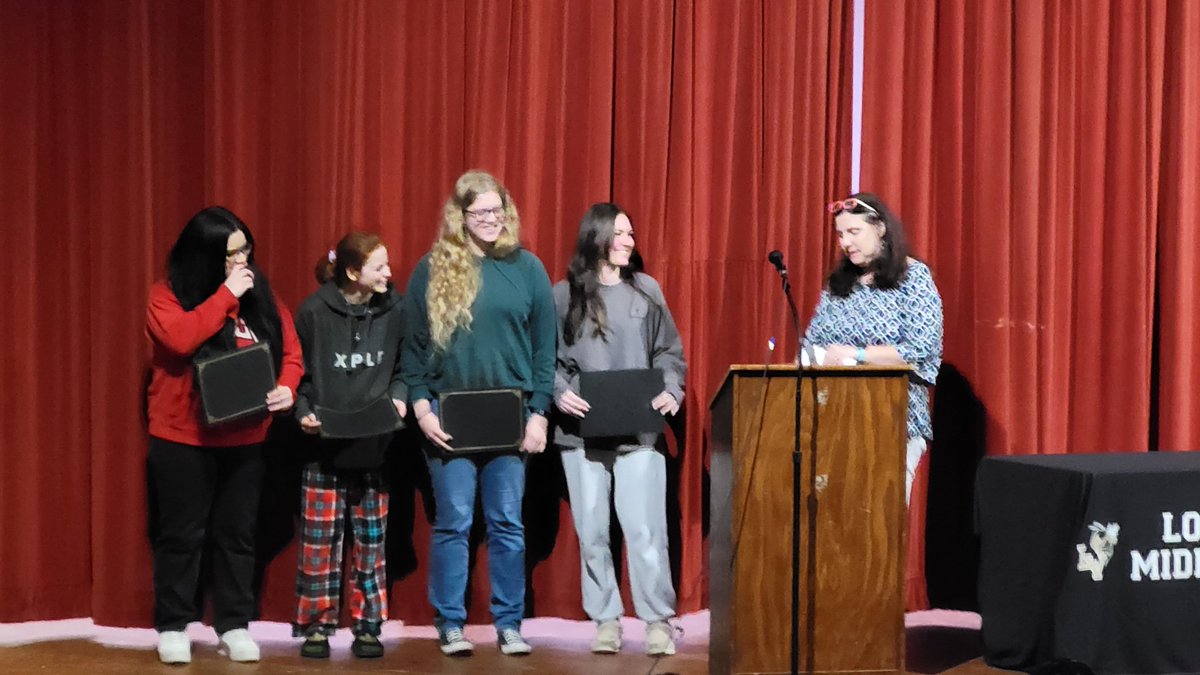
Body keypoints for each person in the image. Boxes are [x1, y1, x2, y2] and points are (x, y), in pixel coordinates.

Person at [400, 170, 556, 657]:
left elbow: (544, 352)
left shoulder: (528, 268)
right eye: (480, 212)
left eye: (498, 210)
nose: (491, 220)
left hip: (510, 416)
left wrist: (539, 414)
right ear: (461, 217)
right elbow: (413, 350)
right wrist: (422, 409)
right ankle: (450, 623)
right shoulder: (431, 269)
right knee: (454, 520)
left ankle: (509, 623)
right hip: (450, 418)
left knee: (508, 521)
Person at [145, 206, 303, 664]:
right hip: (182, 439)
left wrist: (287, 388)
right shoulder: (166, 295)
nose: (242, 263)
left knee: (237, 535)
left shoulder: (262, 296)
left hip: (246, 437)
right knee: (181, 534)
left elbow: (290, 352)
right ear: (205, 256)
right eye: (231, 255)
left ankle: (233, 623)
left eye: (246, 252)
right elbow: (180, 339)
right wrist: (225, 296)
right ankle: (174, 624)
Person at [552, 203, 686, 656]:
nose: (629, 241)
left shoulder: (646, 290)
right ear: (597, 238)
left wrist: (671, 388)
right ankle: (605, 619)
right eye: (620, 233)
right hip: (581, 433)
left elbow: (669, 351)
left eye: (631, 233)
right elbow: (545, 360)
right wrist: (557, 391)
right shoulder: (562, 295)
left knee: (646, 530)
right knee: (592, 531)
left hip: (640, 431)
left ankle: (657, 621)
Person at [291, 232, 407, 659]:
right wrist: (302, 409)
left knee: (371, 542)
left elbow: (404, 366)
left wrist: (400, 397)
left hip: (374, 442)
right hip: (325, 444)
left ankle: (368, 625)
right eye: (380, 267)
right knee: (320, 541)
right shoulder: (314, 313)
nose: (390, 274)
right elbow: (297, 374)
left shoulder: (395, 309)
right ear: (354, 272)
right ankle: (317, 625)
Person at [803, 192, 943, 504]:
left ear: (880, 228)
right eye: (841, 234)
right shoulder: (838, 286)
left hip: (894, 418)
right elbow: (813, 343)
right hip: (835, 422)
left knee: (880, 523)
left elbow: (922, 347)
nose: (845, 243)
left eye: (854, 232)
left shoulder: (913, 277)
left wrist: (857, 355)